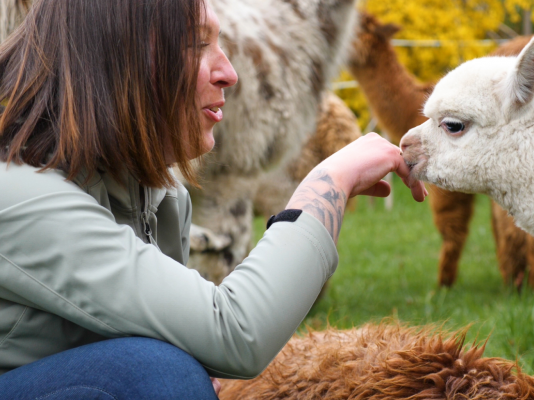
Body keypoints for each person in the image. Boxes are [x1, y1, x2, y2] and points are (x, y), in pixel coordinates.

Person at [0, 0, 426, 399]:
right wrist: (327, 184)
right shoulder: (20, 197)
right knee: (157, 372)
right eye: (196, 45)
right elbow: (235, 332)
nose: (228, 72)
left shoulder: (159, 192)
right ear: (119, 60)